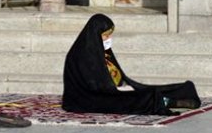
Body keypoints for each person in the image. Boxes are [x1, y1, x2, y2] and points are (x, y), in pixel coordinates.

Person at [61, 13, 201, 115]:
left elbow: (115, 74)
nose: (108, 39)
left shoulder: (102, 51)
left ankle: (175, 96)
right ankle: (166, 102)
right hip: (89, 98)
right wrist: (115, 88)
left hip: (111, 90)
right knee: (135, 99)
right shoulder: (80, 55)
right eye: (105, 36)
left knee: (148, 90)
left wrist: (123, 84)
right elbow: (92, 84)